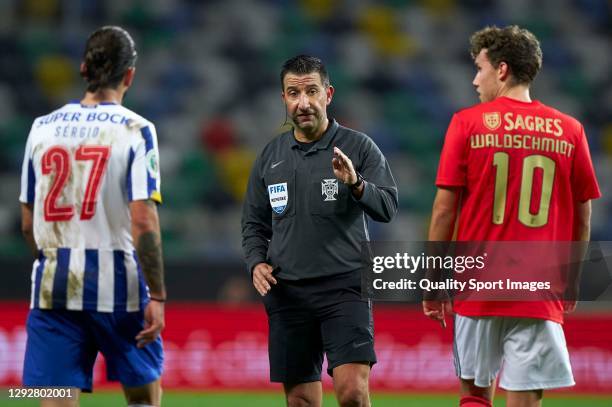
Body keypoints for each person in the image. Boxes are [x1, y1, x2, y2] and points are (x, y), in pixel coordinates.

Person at [423, 25, 601, 407]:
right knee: (525, 399)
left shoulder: (467, 124)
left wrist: (434, 278)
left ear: (501, 70)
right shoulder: (570, 131)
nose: (475, 79)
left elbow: (443, 211)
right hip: (538, 289)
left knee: (473, 394)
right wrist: (571, 278)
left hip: (478, 283)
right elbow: (583, 216)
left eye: (480, 68)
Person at [19, 26, 166, 407]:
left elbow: (26, 221)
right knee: (143, 397)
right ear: (129, 75)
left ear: (84, 68)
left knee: (53, 400)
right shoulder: (137, 131)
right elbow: (144, 220)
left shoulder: (41, 129)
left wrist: (51, 262)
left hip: (53, 289)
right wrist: (159, 294)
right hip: (120, 287)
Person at [242, 55, 398, 407]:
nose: (303, 102)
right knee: (300, 399)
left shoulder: (358, 147)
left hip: (345, 286)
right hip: (288, 292)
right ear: (284, 99)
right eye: (294, 93)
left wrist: (357, 184)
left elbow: (388, 206)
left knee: (353, 393)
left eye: (311, 91)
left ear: (328, 94)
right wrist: (255, 262)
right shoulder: (271, 156)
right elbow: (253, 223)